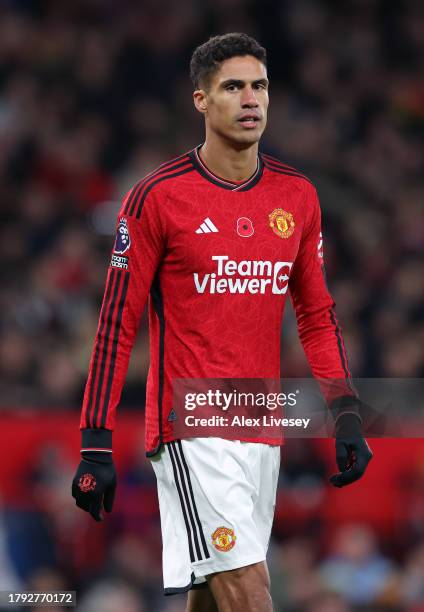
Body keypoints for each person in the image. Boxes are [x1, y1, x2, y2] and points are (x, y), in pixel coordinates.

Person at [72, 33, 373, 612]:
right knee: (252, 590)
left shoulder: (298, 196)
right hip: (191, 426)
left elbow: (316, 314)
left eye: (258, 86)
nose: (250, 99)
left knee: (216, 596)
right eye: (232, 87)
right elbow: (116, 324)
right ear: (201, 101)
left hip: (260, 426)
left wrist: (346, 409)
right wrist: (95, 442)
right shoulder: (156, 198)